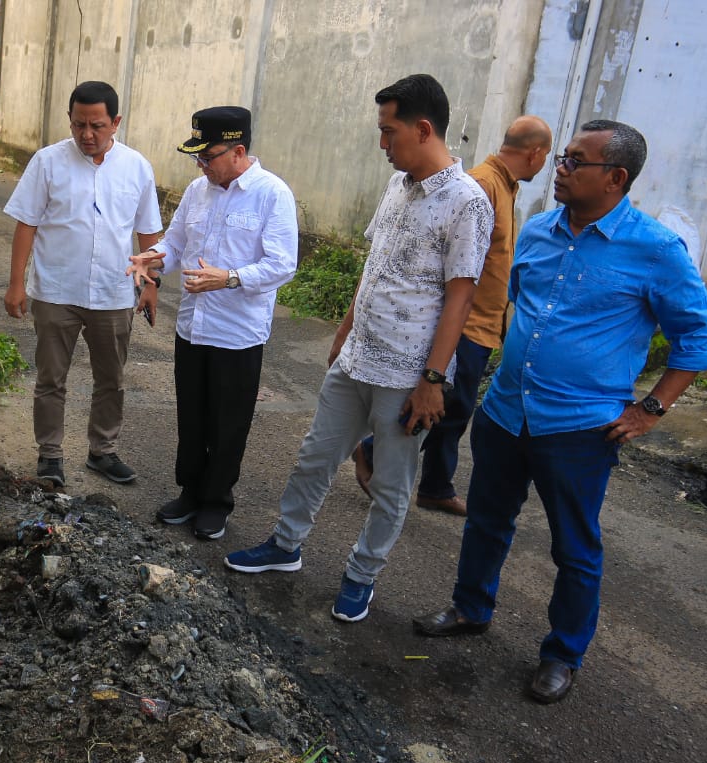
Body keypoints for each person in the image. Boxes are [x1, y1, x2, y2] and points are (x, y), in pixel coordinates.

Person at [412, 120, 707, 703]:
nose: (560, 168)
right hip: (506, 412)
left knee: (574, 548)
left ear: (616, 177)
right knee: (485, 520)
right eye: (562, 159)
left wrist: (651, 409)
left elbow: (699, 337)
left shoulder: (655, 250)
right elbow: (518, 304)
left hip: (579, 429)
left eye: (576, 161)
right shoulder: (536, 231)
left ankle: (562, 654)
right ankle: (471, 607)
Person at [223, 74, 492, 623]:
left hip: (407, 376)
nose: (382, 143)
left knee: (391, 486)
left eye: (388, 132)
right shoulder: (398, 184)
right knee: (315, 458)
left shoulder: (468, 203)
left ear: (422, 129)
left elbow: (460, 299)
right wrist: (345, 330)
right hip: (357, 359)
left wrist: (432, 382)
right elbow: (375, 268)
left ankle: (360, 576)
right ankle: (285, 545)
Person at [353, 116, 554, 516]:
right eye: (549, 157)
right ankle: (374, 454)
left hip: (484, 324)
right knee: (441, 405)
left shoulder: (504, 186)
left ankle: (436, 485)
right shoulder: (481, 187)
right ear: (536, 154)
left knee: (457, 411)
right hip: (463, 323)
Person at [128, 106, 298, 541]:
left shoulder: (271, 194)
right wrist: (155, 257)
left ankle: (216, 501)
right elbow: (176, 240)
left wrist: (231, 278)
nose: (201, 166)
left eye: (208, 157)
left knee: (228, 423)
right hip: (192, 328)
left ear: (238, 151)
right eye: (196, 158)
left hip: (237, 335)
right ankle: (190, 491)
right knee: (192, 416)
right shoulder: (197, 190)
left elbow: (282, 264)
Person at [3, 81, 162, 487]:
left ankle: (102, 451)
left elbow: (148, 234)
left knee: (111, 378)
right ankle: (50, 454)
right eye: (78, 125)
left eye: (97, 125)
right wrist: (15, 284)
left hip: (112, 292)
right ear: (69, 121)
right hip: (56, 290)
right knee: (50, 378)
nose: (87, 135)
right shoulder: (47, 162)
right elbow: (27, 224)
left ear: (116, 123)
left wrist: (152, 285)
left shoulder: (136, 167)